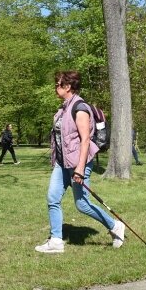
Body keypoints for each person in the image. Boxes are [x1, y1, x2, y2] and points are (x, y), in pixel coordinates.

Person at [35, 70, 125, 253]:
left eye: (57, 84)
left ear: (67, 87)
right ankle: (56, 241)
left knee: (82, 204)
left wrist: (80, 169)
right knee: (52, 198)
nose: (55, 87)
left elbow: (85, 140)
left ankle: (115, 226)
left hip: (78, 164)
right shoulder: (64, 108)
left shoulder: (80, 108)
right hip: (62, 163)